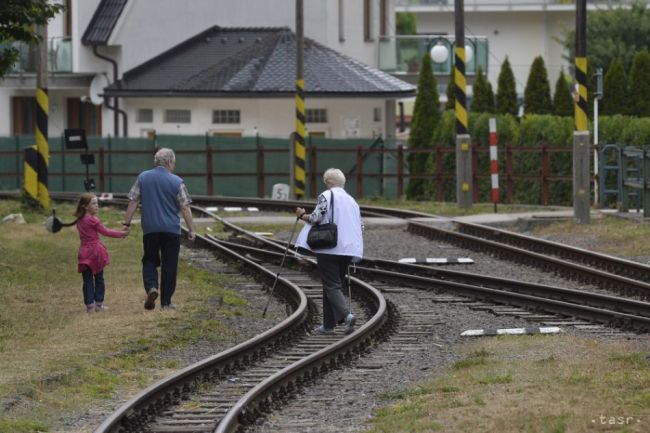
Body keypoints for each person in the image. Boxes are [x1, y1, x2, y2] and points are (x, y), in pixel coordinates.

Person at [123, 148, 196, 311]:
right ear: (169, 162)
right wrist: (191, 229)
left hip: (150, 228)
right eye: (173, 163)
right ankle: (166, 302)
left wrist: (126, 223)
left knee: (149, 260)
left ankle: (151, 287)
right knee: (169, 265)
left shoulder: (143, 177)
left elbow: (133, 201)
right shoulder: (177, 181)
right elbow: (185, 208)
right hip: (171, 230)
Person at [295, 168, 364, 335]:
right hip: (348, 249)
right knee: (333, 285)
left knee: (331, 285)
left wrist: (302, 215)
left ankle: (347, 316)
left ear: (328, 182)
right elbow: (361, 226)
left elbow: (316, 218)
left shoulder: (326, 195)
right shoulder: (352, 201)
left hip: (329, 246)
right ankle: (328, 325)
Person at [74, 193, 129, 314]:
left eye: (97, 203)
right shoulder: (93, 220)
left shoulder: (79, 220)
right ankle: (98, 304)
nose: (97, 206)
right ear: (85, 206)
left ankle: (89, 306)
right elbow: (106, 232)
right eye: (93, 203)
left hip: (83, 252)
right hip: (94, 253)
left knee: (87, 280)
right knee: (99, 278)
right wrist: (122, 233)